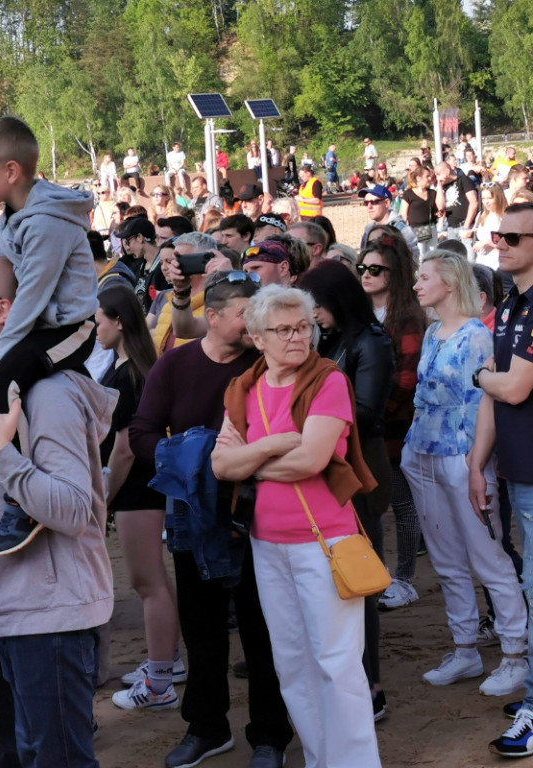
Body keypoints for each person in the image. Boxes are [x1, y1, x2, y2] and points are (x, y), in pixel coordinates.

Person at [0, 258, 114, 768]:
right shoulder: (1, 388)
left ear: (3, 310)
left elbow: (73, 508)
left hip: (52, 612)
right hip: (22, 605)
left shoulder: (49, 394)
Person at [211, 284, 382, 768]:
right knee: (292, 665)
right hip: (267, 543)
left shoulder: (327, 381)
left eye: (303, 327)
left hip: (326, 542)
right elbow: (221, 466)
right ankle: (320, 759)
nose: (296, 338)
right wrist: (270, 446)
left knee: (337, 663)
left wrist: (252, 463)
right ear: (257, 337)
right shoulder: (245, 388)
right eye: (282, 330)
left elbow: (311, 458)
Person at [131, 269, 292, 768]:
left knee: (261, 627)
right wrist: (189, 460)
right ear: (213, 316)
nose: (254, 324)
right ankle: (206, 727)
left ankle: (270, 735)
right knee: (200, 628)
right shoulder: (175, 364)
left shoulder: (267, 367)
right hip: (193, 515)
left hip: (258, 512)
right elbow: (141, 431)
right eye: (246, 313)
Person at [0, 116, 98, 555]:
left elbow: (31, 295)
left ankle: (22, 501)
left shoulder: (46, 222)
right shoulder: (15, 215)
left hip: (68, 330)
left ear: (11, 171)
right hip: (37, 327)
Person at [400, 249, 528, 697]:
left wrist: (477, 465)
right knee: (446, 557)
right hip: (423, 452)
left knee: (486, 554)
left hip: (462, 455)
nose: (417, 285)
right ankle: (465, 648)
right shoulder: (434, 331)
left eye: (425, 277)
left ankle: (515, 653)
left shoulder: (476, 336)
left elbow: (483, 404)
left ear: (449, 284)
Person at [295, 261, 395, 715]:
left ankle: (370, 686)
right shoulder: (332, 341)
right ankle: (346, 679)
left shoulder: (370, 342)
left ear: (338, 300)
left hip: (358, 471)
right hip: (327, 469)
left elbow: (370, 412)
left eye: (317, 304)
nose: (312, 314)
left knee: (358, 582)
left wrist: (313, 418)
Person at [90, 285, 181, 712]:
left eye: (99, 319)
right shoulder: (129, 368)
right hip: (141, 486)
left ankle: (161, 679)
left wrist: (105, 497)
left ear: (119, 320)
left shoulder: (129, 374)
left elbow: (124, 448)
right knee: (154, 581)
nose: (95, 327)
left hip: (136, 487)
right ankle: (166, 663)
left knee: (148, 582)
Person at [468, 203, 533, 756]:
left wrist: (479, 375)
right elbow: (499, 391)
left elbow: (510, 389)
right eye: (497, 235)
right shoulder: (511, 304)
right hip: (516, 467)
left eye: (513, 236)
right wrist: (475, 463)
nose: (501, 244)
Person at [355, 240, 426, 610]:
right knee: (370, 502)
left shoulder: (407, 315)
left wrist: (373, 412)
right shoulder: (361, 314)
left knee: (401, 500)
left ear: (393, 273)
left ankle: (405, 578)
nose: (366, 275)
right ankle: (378, 570)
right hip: (366, 424)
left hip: (395, 424)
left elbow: (407, 378)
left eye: (375, 269)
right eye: (362, 268)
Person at [401, 167, 438, 255]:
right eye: (427, 176)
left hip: (431, 228)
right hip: (415, 230)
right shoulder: (408, 194)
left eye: (430, 176)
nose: (430, 178)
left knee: (432, 256)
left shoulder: (432, 193)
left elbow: (439, 209)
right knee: (420, 256)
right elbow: (403, 214)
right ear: (418, 178)